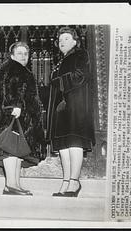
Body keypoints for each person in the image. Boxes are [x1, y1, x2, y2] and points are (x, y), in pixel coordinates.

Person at [46, 27, 95, 197]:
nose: (62, 42)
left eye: (66, 38)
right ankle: (66, 181)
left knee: (74, 142)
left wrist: (58, 81)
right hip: (62, 108)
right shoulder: (60, 60)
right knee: (63, 146)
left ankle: (74, 181)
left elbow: (81, 75)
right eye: (60, 40)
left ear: (75, 41)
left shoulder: (81, 55)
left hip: (76, 106)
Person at [0, 42, 46, 196]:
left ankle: (15, 184)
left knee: (16, 149)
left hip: (21, 116)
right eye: (20, 53)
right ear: (12, 55)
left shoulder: (21, 70)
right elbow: (6, 89)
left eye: (25, 54)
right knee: (10, 150)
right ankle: (10, 185)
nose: (23, 56)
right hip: (12, 115)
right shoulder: (9, 68)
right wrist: (13, 106)